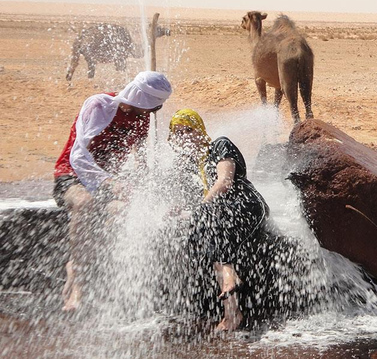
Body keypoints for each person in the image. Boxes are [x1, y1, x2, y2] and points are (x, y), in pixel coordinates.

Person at [53, 71, 173, 311]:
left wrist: (146, 184)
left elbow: (139, 156)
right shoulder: (99, 105)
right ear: (136, 96)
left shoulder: (142, 117)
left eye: (151, 109)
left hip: (107, 182)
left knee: (122, 210)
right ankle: (76, 278)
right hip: (71, 174)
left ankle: (104, 277)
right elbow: (78, 156)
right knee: (85, 203)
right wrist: (110, 183)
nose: (147, 113)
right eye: (145, 107)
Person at [168, 109, 270, 332]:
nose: (184, 136)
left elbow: (225, 181)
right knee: (205, 231)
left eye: (189, 130)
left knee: (206, 221)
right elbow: (198, 205)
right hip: (220, 216)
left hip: (246, 205)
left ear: (200, 131)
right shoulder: (189, 166)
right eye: (178, 133)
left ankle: (230, 279)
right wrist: (180, 212)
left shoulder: (219, 145)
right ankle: (232, 312)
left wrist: (200, 209)